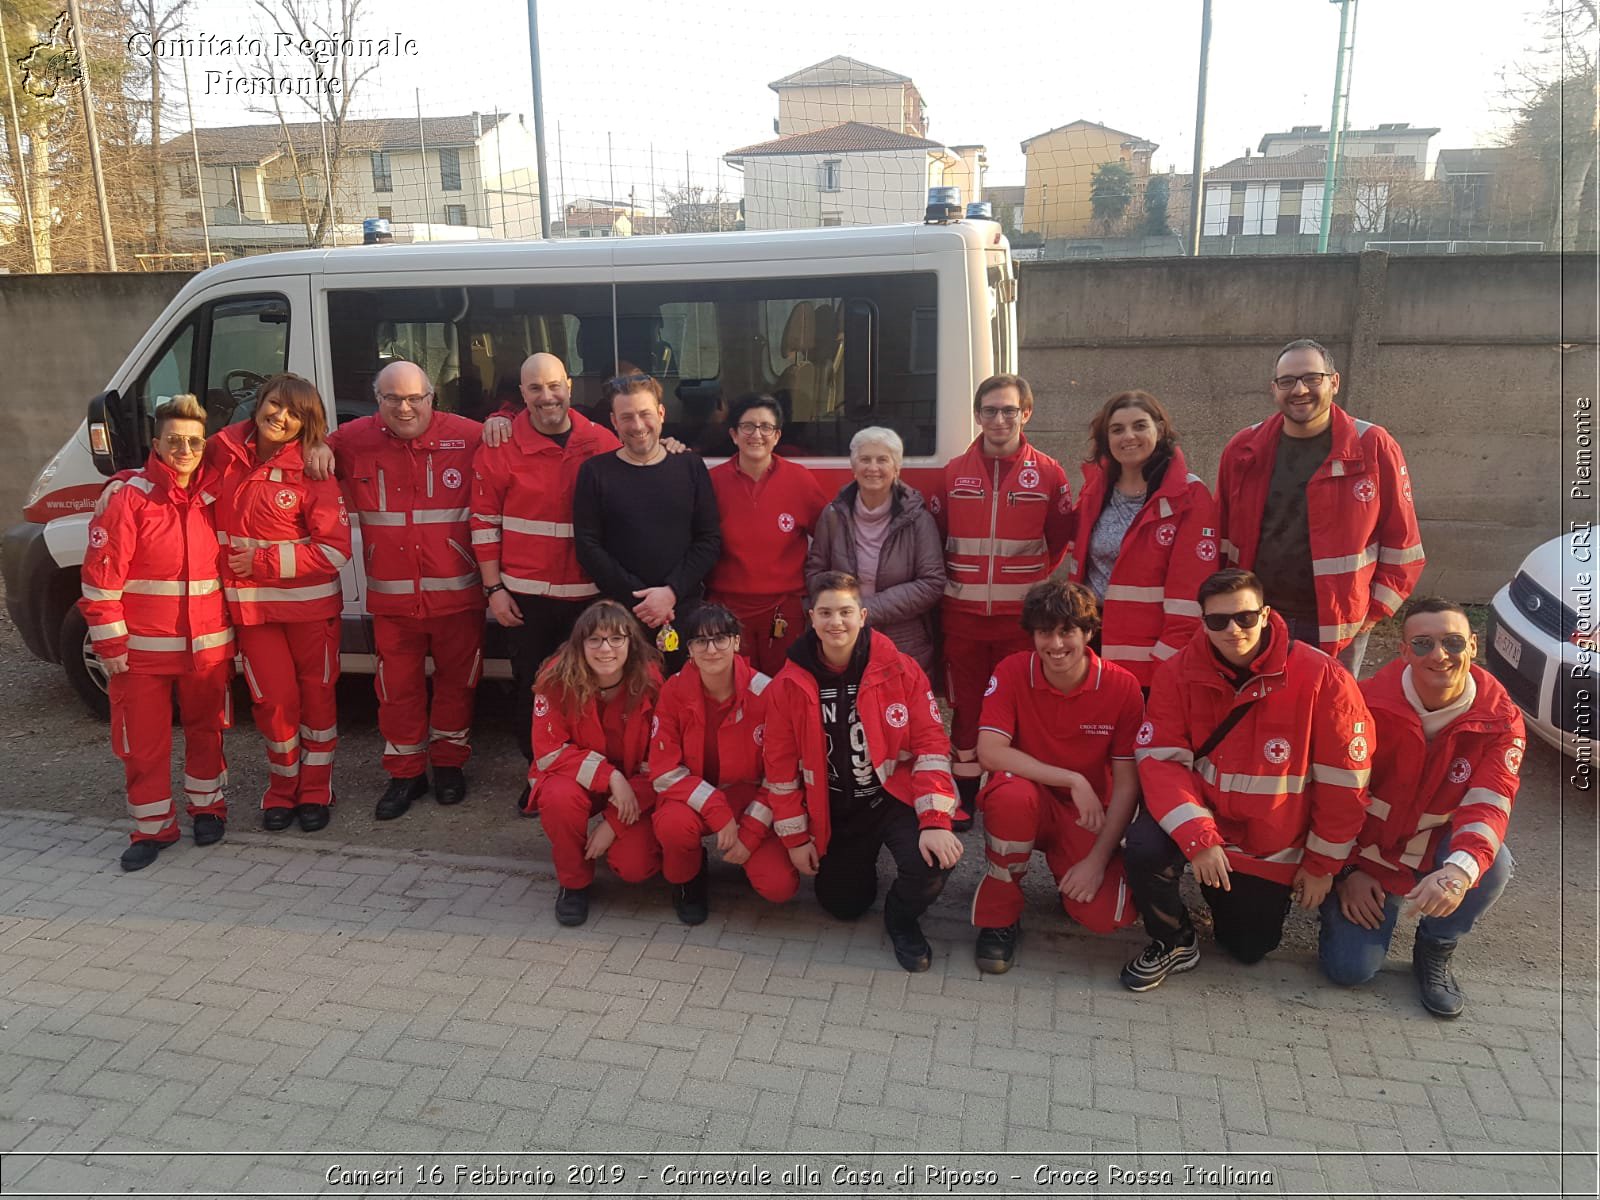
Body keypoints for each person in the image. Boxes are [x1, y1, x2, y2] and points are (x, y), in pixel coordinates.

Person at [1122, 568, 1373, 992]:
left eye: (1245, 617)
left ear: (1266, 613)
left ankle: (1226, 898)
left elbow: (1344, 785)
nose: (1232, 629)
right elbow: (1162, 762)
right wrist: (1199, 837)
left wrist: (1321, 866)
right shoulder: (1177, 672)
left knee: (1248, 947)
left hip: (1269, 841)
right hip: (1205, 821)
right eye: (1217, 620)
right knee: (1144, 846)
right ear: (1202, 621)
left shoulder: (1322, 678)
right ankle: (1175, 940)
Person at [1320, 598, 1523, 1018]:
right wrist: (1346, 871)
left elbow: (1490, 804)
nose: (1439, 655)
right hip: (1369, 858)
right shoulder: (1363, 704)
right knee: (1349, 971)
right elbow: (1332, 797)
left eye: (1452, 641)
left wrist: (1457, 871)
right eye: (1424, 643)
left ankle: (1437, 945)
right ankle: (1350, 904)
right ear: (1404, 650)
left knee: (1493, 864)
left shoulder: (1500, 719)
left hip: (1435, 855)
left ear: (1472, 644)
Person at [762, 571, 963, 973]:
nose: (836, 622)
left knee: (932, 863)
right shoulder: (787, 684)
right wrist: (797, 837)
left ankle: (901, 919)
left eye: (846, 611)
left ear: (864, 615)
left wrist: (936, 820)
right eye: (826, 613)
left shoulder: (901, 669)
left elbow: (931, 747)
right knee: (843, 906)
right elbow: (780, 770)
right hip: (835, 810)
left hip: (890, 799)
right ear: (811, 618)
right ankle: (861, 869)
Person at [81, 395, 234, 870]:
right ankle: (152, 828)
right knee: (143, 744)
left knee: (207, 732)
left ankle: (208, 808)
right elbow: (100, 578)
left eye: (193, 441)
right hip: (141, 653)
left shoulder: (215, 495)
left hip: (206, 647)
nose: (185, 449)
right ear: (156, 443)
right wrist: (110, 643)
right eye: (174, 441)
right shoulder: (129, 497)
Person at [330, 361, 484, 819]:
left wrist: (501, 420)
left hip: (458, 595)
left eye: (415, 397)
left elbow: (530, 442)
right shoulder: (351, 440)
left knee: (459, 684)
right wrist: (314, 448)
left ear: (432, 398)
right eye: (393, 398)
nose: (405, 407)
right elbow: (284, 446)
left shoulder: (471, 435)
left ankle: (450, 765)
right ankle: (406, 774)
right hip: (393, 599)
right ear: (376, 400)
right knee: (397, 691)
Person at [1216, 339, 1424, 676]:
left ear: (1334, 382)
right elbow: (1221, 537)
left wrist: (1370, 615)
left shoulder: (1372, 445)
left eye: (1312, 378)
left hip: (1338, 625)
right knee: (1257, 711)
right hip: (1256, 618)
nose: (1299, 390)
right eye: (1288, 381)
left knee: (1329, 717)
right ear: (1274, 389)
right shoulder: (1243, 449)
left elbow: (1404, 545)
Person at [970, 580, 1144, 973]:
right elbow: (990, 751)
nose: (1056, 644)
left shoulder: (1122, 686)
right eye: (1045, 632)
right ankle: (1000, 913)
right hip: (1027, 799)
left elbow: (1128, 784)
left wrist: (1097, 861)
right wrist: (1072, 778)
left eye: (1067, 631)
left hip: (1085, 816)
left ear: (1088, 632)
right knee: (1010, 796)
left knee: (1108, 917)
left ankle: (1071, 877)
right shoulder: (1013, 670)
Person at [212, 374, 352, 833]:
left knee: (317, 701)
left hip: (310, 613)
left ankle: (315, 790)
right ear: (258, 403)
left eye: (295, 413)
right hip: (254, 612)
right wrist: (123, 481)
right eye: (275, 404)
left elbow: (334, 550)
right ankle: (281, 788)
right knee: (273, 704)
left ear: (306, 423)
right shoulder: (223, 451)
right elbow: (173, 463)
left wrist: (264, 561)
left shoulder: (314, 468)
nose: (281, 416)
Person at [471, 352, 620, 783]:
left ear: (569, 386)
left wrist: (670, 446)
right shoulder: (500, 446)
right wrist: (494, 589)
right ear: (521, 394)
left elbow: (638, 470)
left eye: (554, 385)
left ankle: (590, 774)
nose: (546, 396)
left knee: (592, 690)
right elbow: (482, 523)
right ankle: (539, 774)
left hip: (587, 596)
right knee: (534, 691)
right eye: (534, 388)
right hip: (526, 598)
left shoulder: (600, 441)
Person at [933, 374, 1074, 818]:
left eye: (1009, 410)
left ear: (1025, 413)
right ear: (977, 415)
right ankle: (967, 794)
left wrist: (1025, 591)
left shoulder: (1050, 473)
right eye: (990, 410)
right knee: (967, 706)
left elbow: (1058, 543)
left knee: (1022, 704)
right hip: (962, 617)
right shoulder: (953, 473)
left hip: (1021, 620)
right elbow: (937, 539)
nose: (999, 419)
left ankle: (1017, 793)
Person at [649, 603, 799, 924]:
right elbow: (663, 770)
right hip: (692, 797)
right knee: (674, 825)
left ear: (736, 643)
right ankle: (687, 880)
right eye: (700, 641)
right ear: (688, 649)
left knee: (780, 886)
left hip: (750, 799)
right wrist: (716, 809)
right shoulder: (673, 691)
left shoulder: (767, 692)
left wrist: (751, 834)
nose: (711, 649)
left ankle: (746, 859)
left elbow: (780, 773)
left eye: (720, 639)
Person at [527, 599, 664, 927]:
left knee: (635, 867)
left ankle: (666, 853)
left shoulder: (651, 682)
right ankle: (573, 883)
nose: (606, 649)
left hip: (636, 786)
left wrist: (613, 824)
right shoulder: (555, 678)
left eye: (617, 639)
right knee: (558, 797)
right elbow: (549, 752)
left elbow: (661, 761)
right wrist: (610, 777)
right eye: (595, 640)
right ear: (580, 644)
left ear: (631, 643)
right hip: (580, 781)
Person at [1068, 391, 1218, 689]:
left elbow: (1190, 598)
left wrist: (1169, 661)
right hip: (1091, 643)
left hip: (1150, 655)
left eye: (1139, 426)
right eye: (1117, 429)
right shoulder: (1096, 490)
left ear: (1159, 430)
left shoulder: (1189, 496)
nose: (1128, 437)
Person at [573, 374, 722, 673]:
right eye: (627, 417)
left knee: (683, 701)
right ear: (613, 421)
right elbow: (588, 546)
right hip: (620, 618)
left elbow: (709, 539)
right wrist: (640, 600)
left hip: (682, 610)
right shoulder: (594, 472)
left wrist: (670, 592)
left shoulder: (690, 466)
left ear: (662, 414)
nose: (638, 426)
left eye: (645, 414)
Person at [704, 394, 828, 675]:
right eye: (747, 427)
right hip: (727, 608)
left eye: (765, 427)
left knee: (783, 684)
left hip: (783, 610)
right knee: (733, 685)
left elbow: (827, 537)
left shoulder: (800, 480)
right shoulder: (712, 482)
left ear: (777, 435)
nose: (756, 435)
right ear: (734, 435)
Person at [806, 426, 945, 676]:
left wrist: (866, 609)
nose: (873, 468)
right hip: (842, 638)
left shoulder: (919, 520)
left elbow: (931, 583)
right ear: (853, 467)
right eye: (865, 459)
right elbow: (815, 571)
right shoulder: (832, 515)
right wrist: (841, 611)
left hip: (903, 640)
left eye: (883, 460)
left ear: (897, 468)